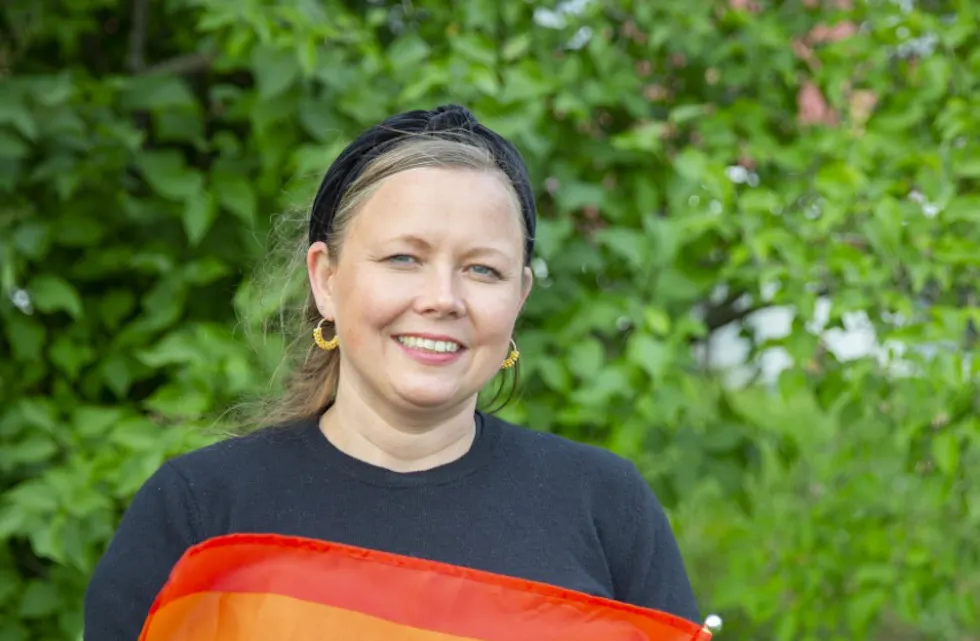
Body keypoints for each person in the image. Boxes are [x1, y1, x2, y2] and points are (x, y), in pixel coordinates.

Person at [83, 104, 702, 639]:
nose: (443, 298)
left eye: (482, 270)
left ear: (520, 297)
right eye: (404, 258)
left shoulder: (605, 507)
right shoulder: (199, 514)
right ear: (326, 278)